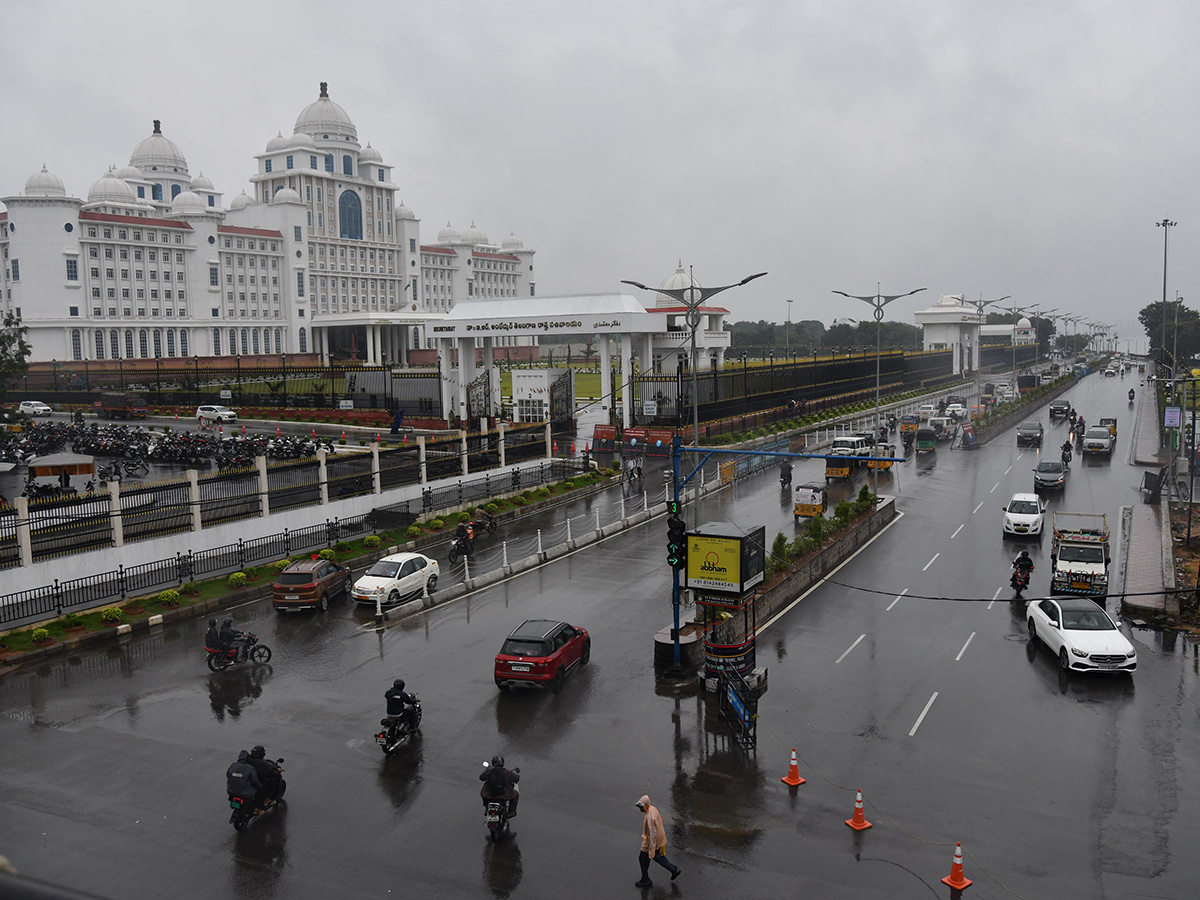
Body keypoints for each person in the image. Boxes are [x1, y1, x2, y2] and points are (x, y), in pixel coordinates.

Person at [635, 794, 681, 887]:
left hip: (650, 842)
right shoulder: (653, 809)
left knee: (643, 859)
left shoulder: (649, 817)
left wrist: (651, 848)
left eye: (641, 807)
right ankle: (674, 870)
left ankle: (645, 880)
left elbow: (652, 834)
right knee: (657, 857)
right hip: (659, 839)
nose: (640, 809)